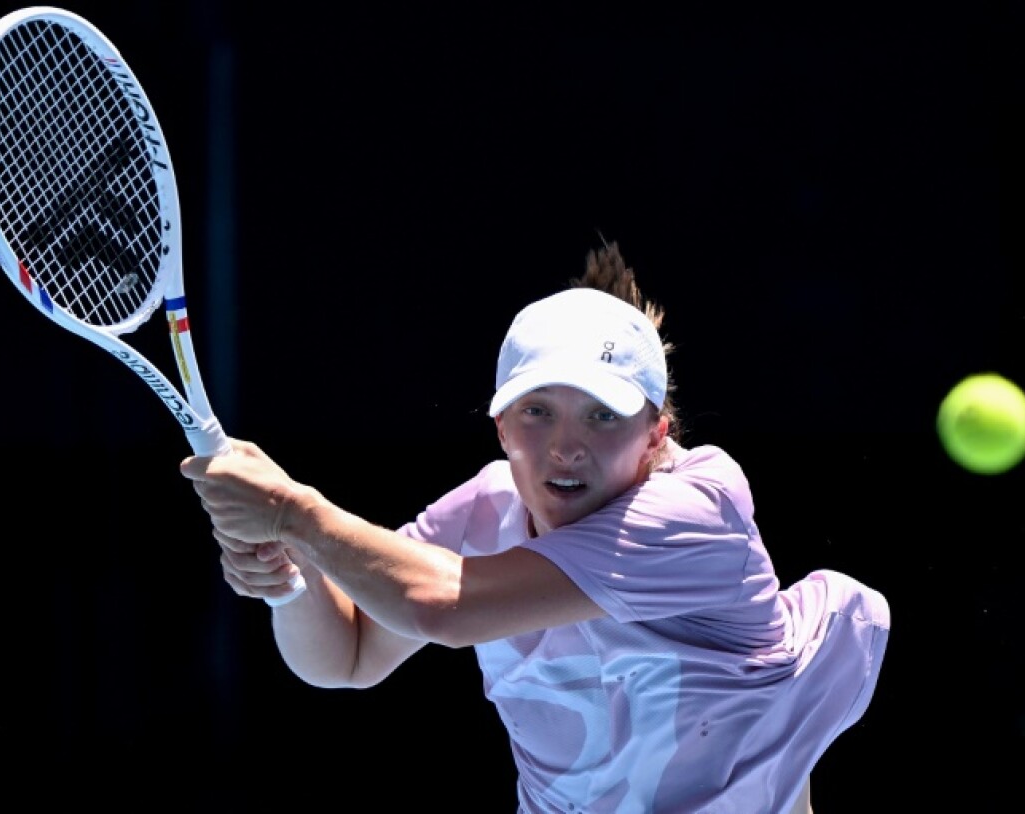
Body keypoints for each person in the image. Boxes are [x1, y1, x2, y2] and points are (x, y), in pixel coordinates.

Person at [181, 241, 890, 814]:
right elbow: (349, 656)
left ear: (655, 434)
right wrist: (292, 572)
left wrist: (296, 512)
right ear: (499, 426)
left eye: (602, 415)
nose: (565, 447)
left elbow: (441, 606)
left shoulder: (697, 511)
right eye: (537, 411)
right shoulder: (486, 510)